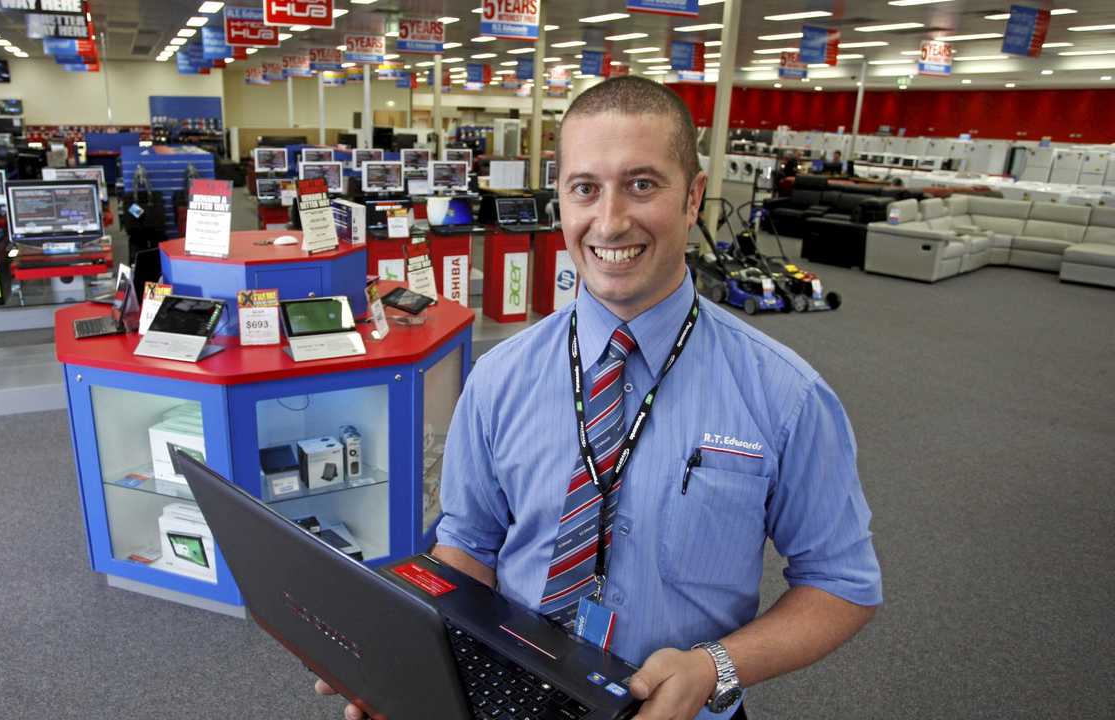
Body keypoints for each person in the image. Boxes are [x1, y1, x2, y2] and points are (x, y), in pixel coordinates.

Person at [318, 76, 882, 720]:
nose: (610, 221)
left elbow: (842, 584)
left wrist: (714, 667)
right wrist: (404, 657)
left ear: (693, 196)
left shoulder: (784, 395)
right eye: (586, 188)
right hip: (510, 696)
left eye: (642, 185)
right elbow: (468, 549)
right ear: (561, 200)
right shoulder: (499, 378)